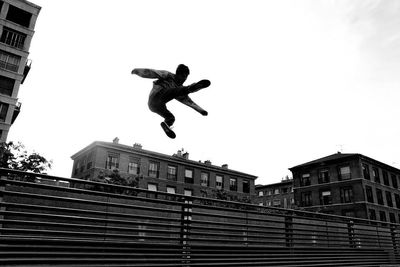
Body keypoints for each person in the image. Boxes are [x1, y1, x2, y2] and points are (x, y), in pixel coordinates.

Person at [131, 64, 210, 139]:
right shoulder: (168, 75)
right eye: (183, 76)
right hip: (156, 96)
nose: (184, 79)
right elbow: (152, 73)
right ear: (177, 74)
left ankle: (166, 125)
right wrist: (137, 71)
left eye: (186, 77)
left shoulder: (179, 89)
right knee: (178, 90)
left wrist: (201, 111)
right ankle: (192, 88)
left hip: (156, 106)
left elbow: (189, 102)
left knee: (171, 118)